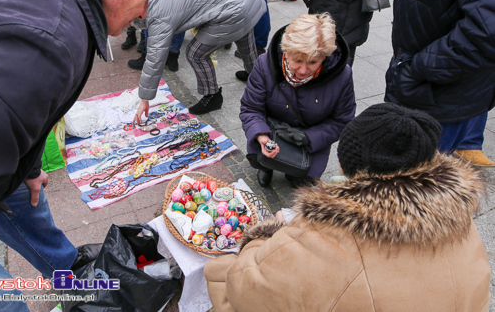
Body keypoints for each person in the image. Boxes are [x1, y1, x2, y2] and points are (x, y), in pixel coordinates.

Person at [0, 0, 178, 309]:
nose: (145, 12)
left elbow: (13, 105)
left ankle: (73, 279)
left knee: (27, 202)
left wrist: (29, 165)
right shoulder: (52, 39)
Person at [205, 103, 491, 312]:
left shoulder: (318, 240)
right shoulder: (460, 220)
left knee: (222, 278)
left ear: (346, 165)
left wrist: (267, 235)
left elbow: (244, 288)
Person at [384, 0, 495, 167]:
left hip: (439, 89)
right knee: (394, 177)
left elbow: (484, 31)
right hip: (414, 77)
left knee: (416, 186)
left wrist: (417, 70)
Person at [132, 0, 266, 120]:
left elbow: (154, 59)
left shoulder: (157, 15)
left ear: (140, 13)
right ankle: (257, 76)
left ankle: (212, 96)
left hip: (235, 2)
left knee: (196, 53)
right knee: (242, 28)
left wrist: (145, 99)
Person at [240, 13, 356, 188]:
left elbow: (342, 121)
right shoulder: (265, 64)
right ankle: (265, 166)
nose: (303, 70)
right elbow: (250, 108)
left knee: (304, 178)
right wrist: (261, 136)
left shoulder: (342, 75)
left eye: (312, 62)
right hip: (273, 130)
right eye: (297, 60)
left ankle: (295, 173)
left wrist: (308, 138)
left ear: (324, 57)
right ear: (286, 52)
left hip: (311, 138)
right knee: (262, 157)